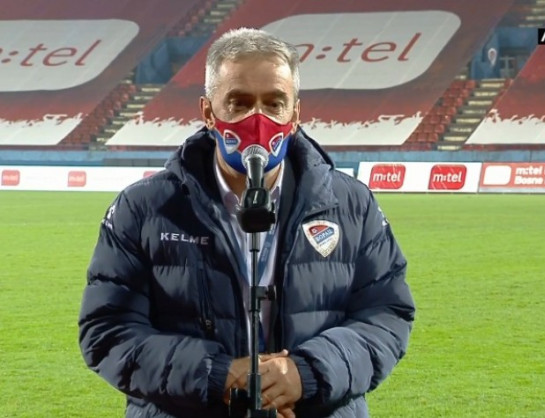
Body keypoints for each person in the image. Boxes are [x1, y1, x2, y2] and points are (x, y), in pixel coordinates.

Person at [78, 27, 414, 418]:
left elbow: (387, 315)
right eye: (238, 103)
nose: (258, 119)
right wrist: (217, 375)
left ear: (295, 114)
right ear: (208, 112)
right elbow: (107, 330)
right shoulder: (142, 208)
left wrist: (306, 373)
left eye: (274, 103)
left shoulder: (353, 205)